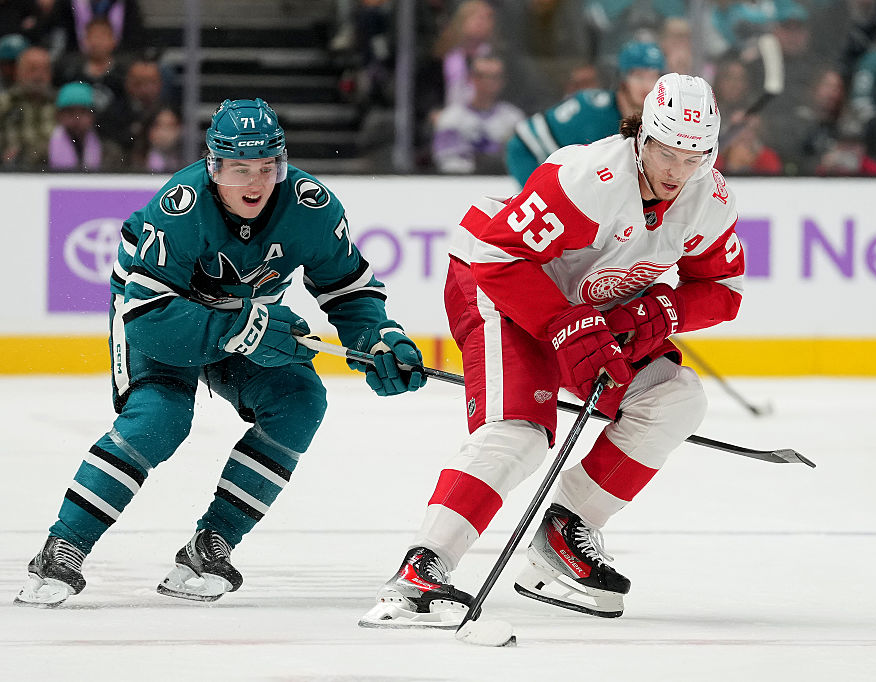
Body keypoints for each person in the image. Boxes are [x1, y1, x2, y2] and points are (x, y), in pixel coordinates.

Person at [360, 73, 745, 628]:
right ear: (642, 136)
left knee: (675, 399)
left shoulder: (709, 197)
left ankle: (564, 534)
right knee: (519, 433)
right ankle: (420, 572)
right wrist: (565, 325)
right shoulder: (588, 177)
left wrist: (661, 312)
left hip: (587, 310)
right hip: (503, 289)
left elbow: (723, 291)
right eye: (665, 152)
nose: (676, 172)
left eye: (693, 157)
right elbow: (498, 256)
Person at [14, 98, 425, 608]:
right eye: (238, 169)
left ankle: (211, 545)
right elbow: (147, 321)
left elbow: (347, 290)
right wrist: (247, 329)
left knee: (299, 402)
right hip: (161, 315)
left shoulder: (311, 207)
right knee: (158, 418)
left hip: (237, 319)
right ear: (213, 167)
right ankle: (63, 547)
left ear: (282, 162)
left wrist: (376, 338)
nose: (254, 183)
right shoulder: (180, 209)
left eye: (266, 168)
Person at [505, 40, 664, 187]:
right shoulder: (591, 109)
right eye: (638, 76)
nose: (647, 85)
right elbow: (521, 144)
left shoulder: (661, 122)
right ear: (622, 78)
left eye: (653, 76)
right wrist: (542, 191)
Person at [432, 54, 524, 174]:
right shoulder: (451, 118)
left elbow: (521, 158)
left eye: (495, 77)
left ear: (503, 81)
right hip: (462, 184)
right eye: (483, 76)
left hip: (502, 182)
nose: (489, 82)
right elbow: (446, 160)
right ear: (471, 78)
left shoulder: (513, 118)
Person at [47, 80, 118, 170]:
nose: (77, 118)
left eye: (83, 112)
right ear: (59, 116)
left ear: (92, 116)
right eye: (70, 112)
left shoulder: (109, 151)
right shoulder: (44, 150)